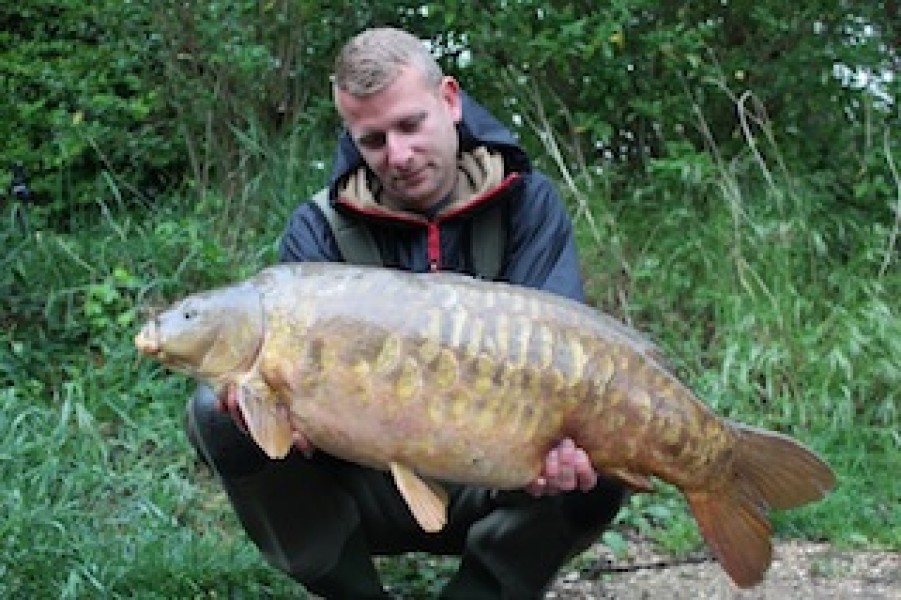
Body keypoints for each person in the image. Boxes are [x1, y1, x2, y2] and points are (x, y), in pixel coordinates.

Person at [185, 27, 626, 599]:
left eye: (410, 125)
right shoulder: (318, 229)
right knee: (215, 415)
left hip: (500, 473)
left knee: (606, 440)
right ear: (350, 133)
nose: (398, 155)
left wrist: (566, 448)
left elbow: (570, 360)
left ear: (449, 99)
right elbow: (286, 401)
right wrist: (273, 415)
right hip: (363, 483)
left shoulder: (527, 203)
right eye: (372, 140)